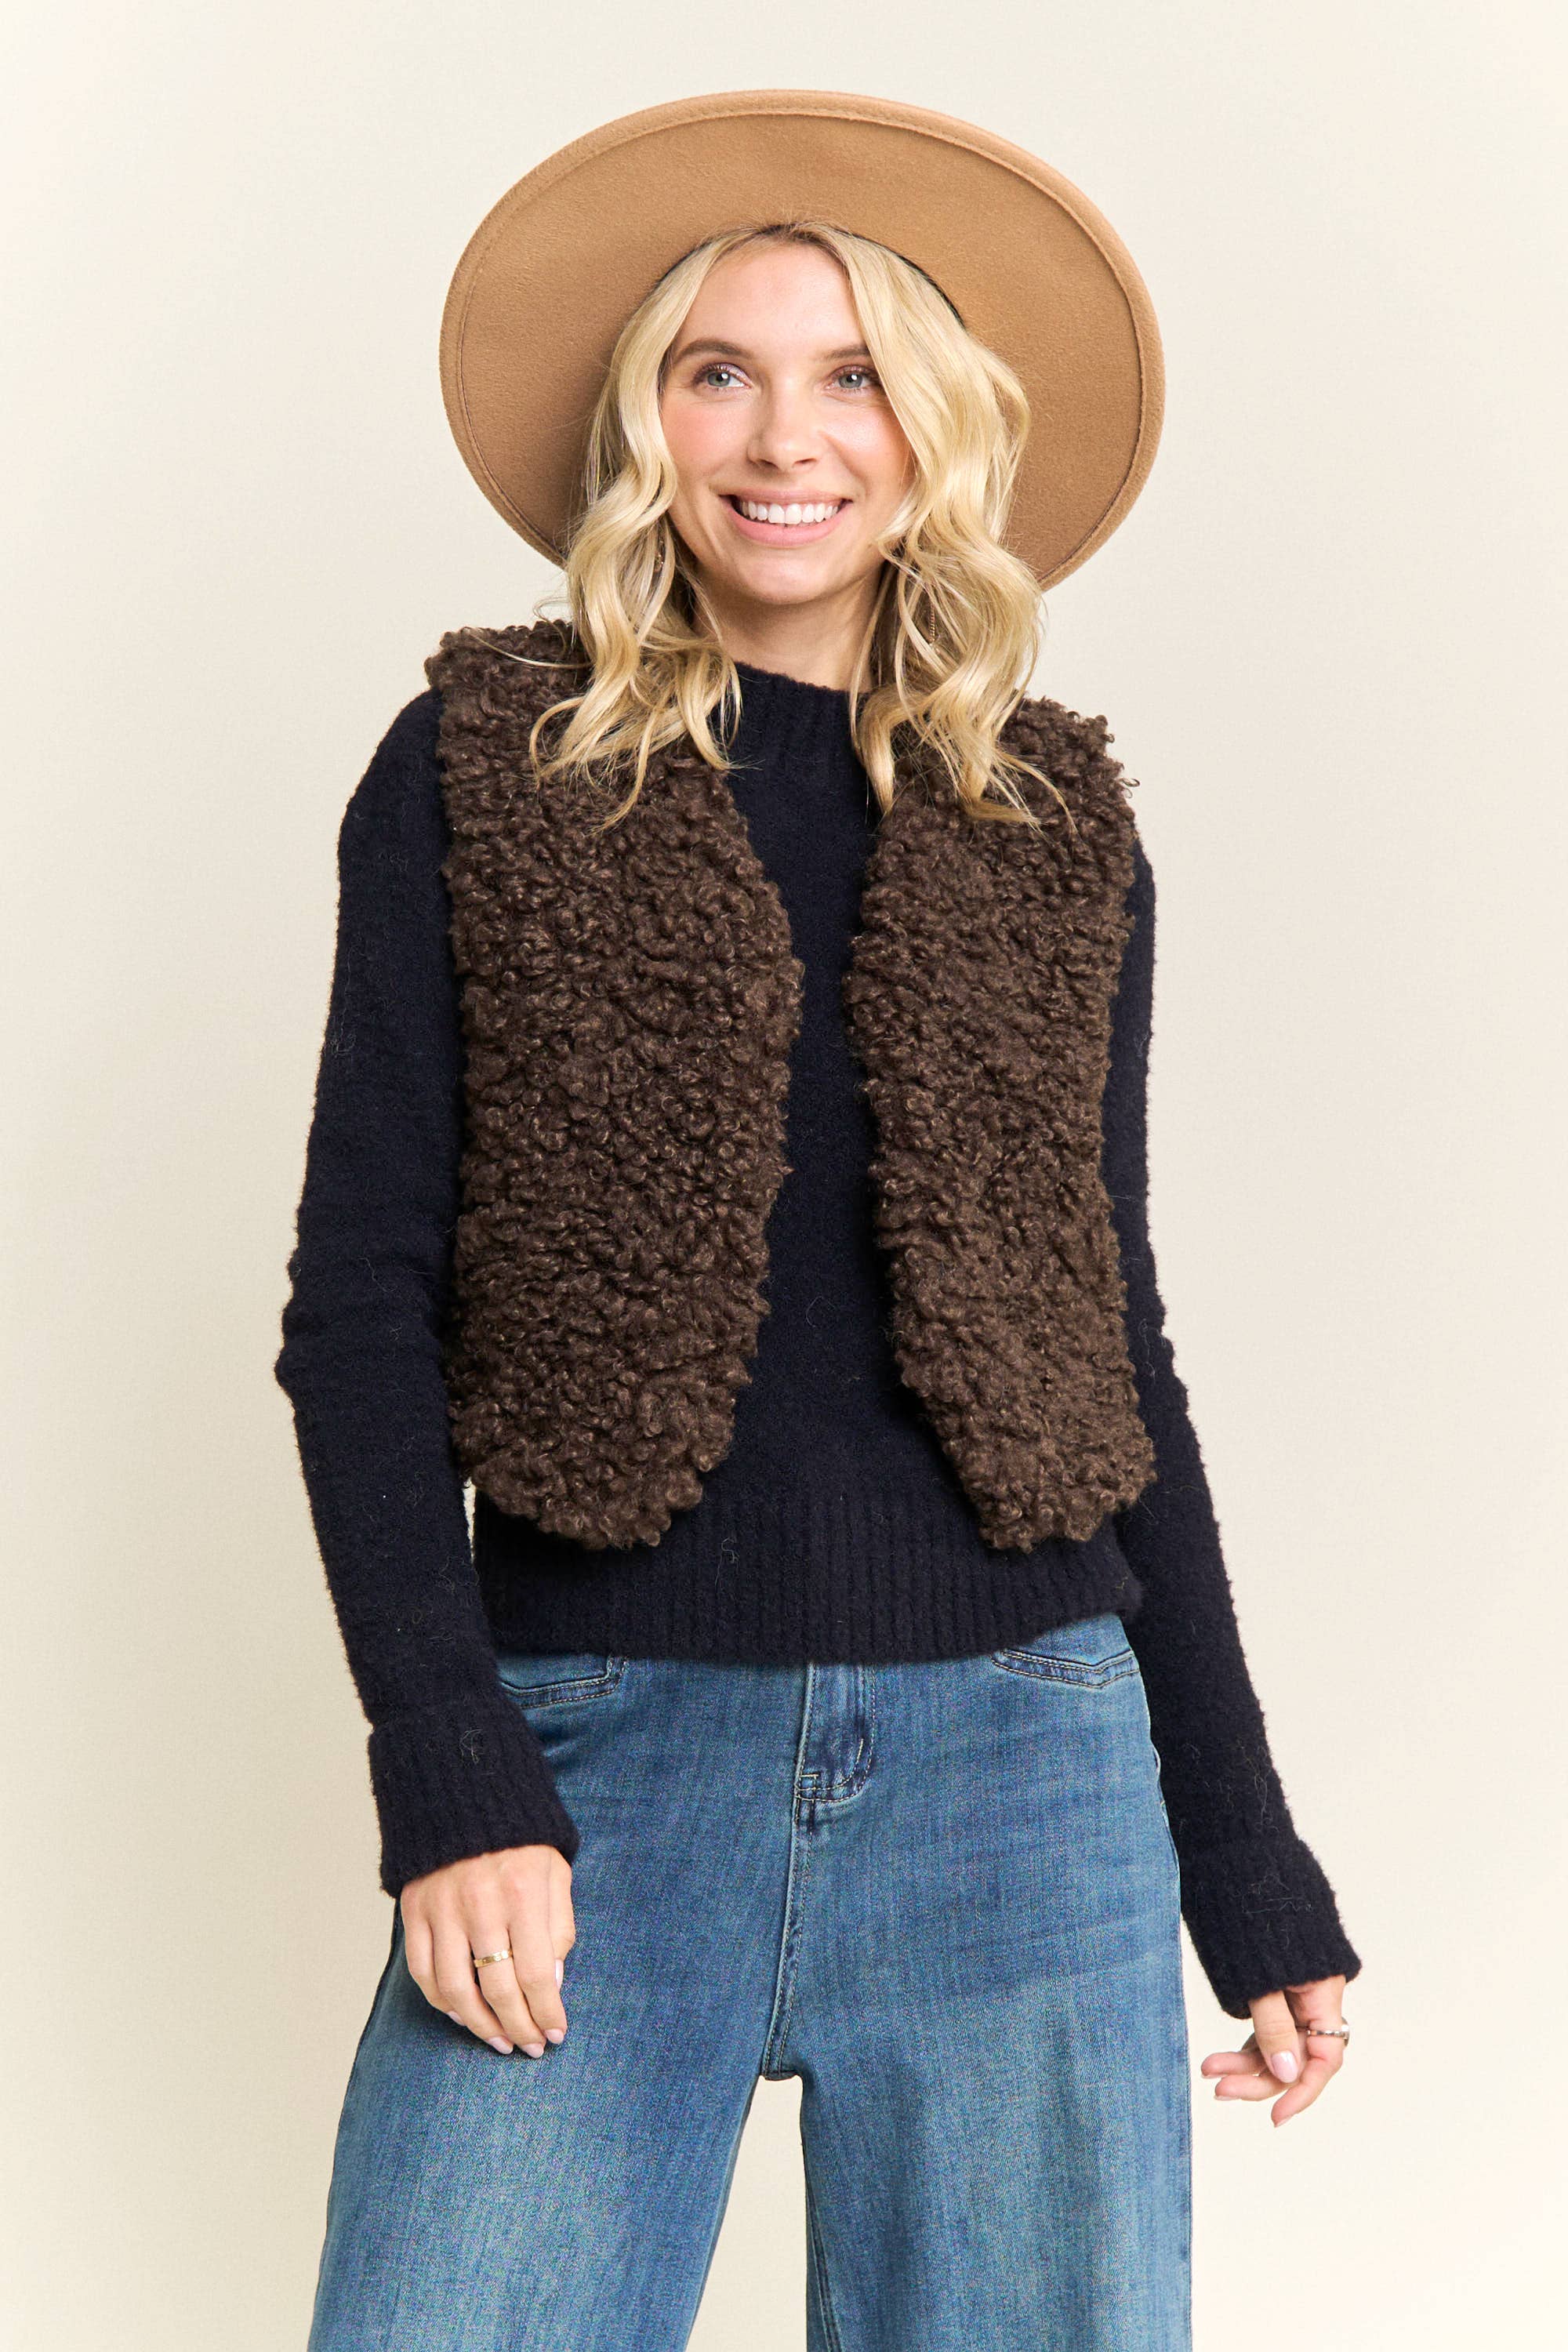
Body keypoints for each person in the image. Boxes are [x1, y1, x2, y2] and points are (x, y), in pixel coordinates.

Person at [275, 90, 1363, 2352]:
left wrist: (1246, 1856)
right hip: (601, 1741)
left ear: (932, 431)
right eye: (722, 373)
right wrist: (450, 1769)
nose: (788, 438)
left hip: (1024, 1772)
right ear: (647, 426)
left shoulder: (1046, 815)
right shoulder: (490, 764)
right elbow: (360, 1307)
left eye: (854, 375)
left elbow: (1109, 1347)